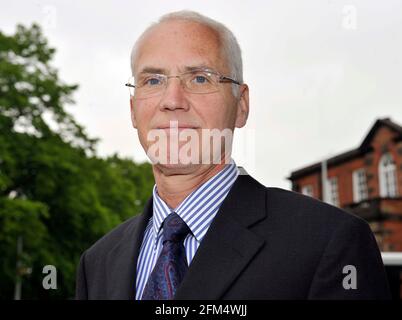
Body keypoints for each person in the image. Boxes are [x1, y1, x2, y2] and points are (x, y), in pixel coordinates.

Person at [75, 10, 390, 300]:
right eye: (153, 80)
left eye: (199, 78)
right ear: (133, 109)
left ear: (241, 105)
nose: (172, 100)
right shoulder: (97, 262)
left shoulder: (328, 241)